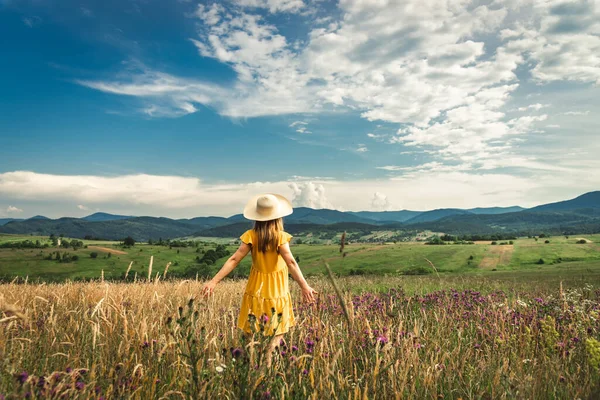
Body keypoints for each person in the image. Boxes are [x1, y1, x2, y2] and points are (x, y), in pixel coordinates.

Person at [201, 193, 317, 366]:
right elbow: (291, 262)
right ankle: (267, 369)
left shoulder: (251, 236)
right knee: (276, 335)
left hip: (255, 290)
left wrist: (213, 281)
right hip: (276, 291)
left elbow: (233, 259)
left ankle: (251, 368)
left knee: (251, 335)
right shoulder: (280, 237)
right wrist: (304, 286)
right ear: (277, 216)